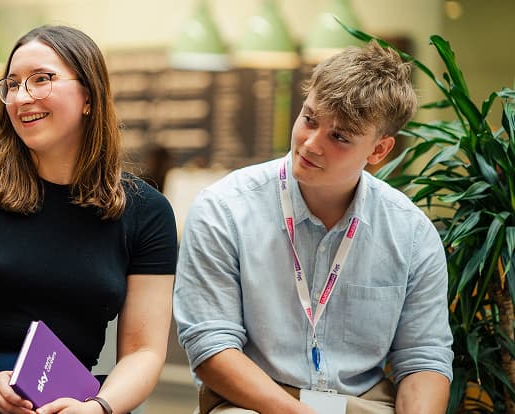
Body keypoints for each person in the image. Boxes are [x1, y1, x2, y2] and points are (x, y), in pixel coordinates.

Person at [0, 25, 178, 414]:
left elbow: (143, 350)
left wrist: (98, 407)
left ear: (89, 97)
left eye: (40, 80)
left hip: (72, 397)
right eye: (12, 84)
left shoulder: (147, 211)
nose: (21, 97)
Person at [173, 41, 453, 414]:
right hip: (252, 401)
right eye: (309, 119)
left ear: (378, 151)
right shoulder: (223, 209)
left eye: (339, 137)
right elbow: (210, 346)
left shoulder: (412, 234)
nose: (310, 143)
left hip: (361, 403)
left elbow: (423, 358)